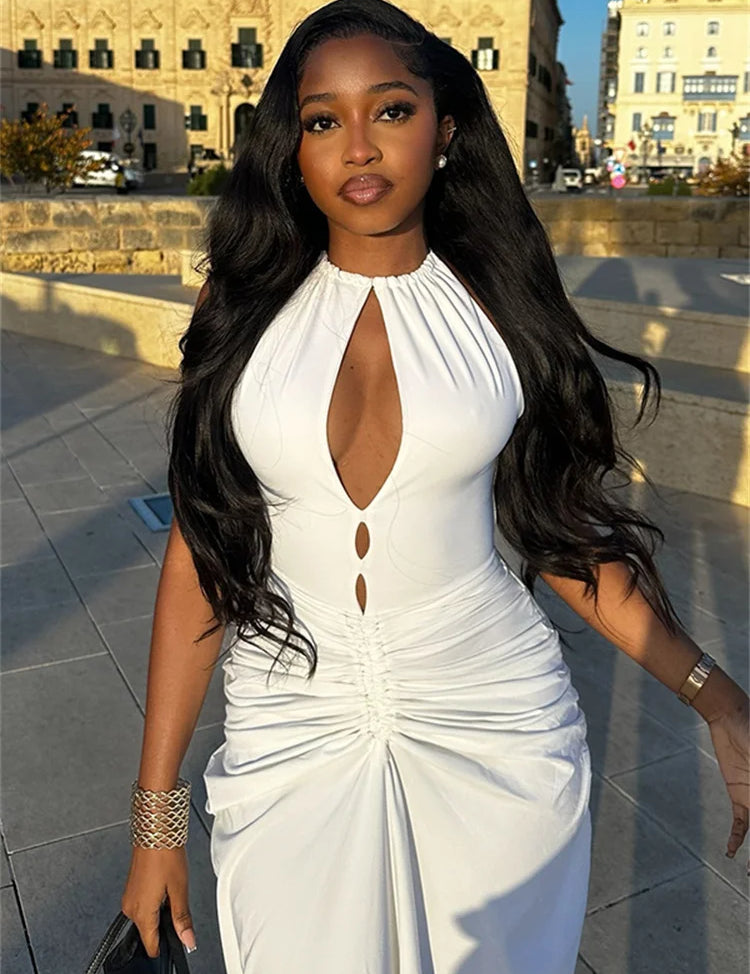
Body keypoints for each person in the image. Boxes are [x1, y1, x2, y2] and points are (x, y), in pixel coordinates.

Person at [120, 1, 750, 971]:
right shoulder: (240, 308)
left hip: (494, 725)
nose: (358, 146)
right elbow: (201, 556)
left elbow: (562, 538)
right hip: (291, 728)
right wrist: (156, 819)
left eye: (392, 110)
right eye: (323, 119)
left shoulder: (499, 306)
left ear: (445, 130)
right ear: (293, 148)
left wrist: (719, 699)